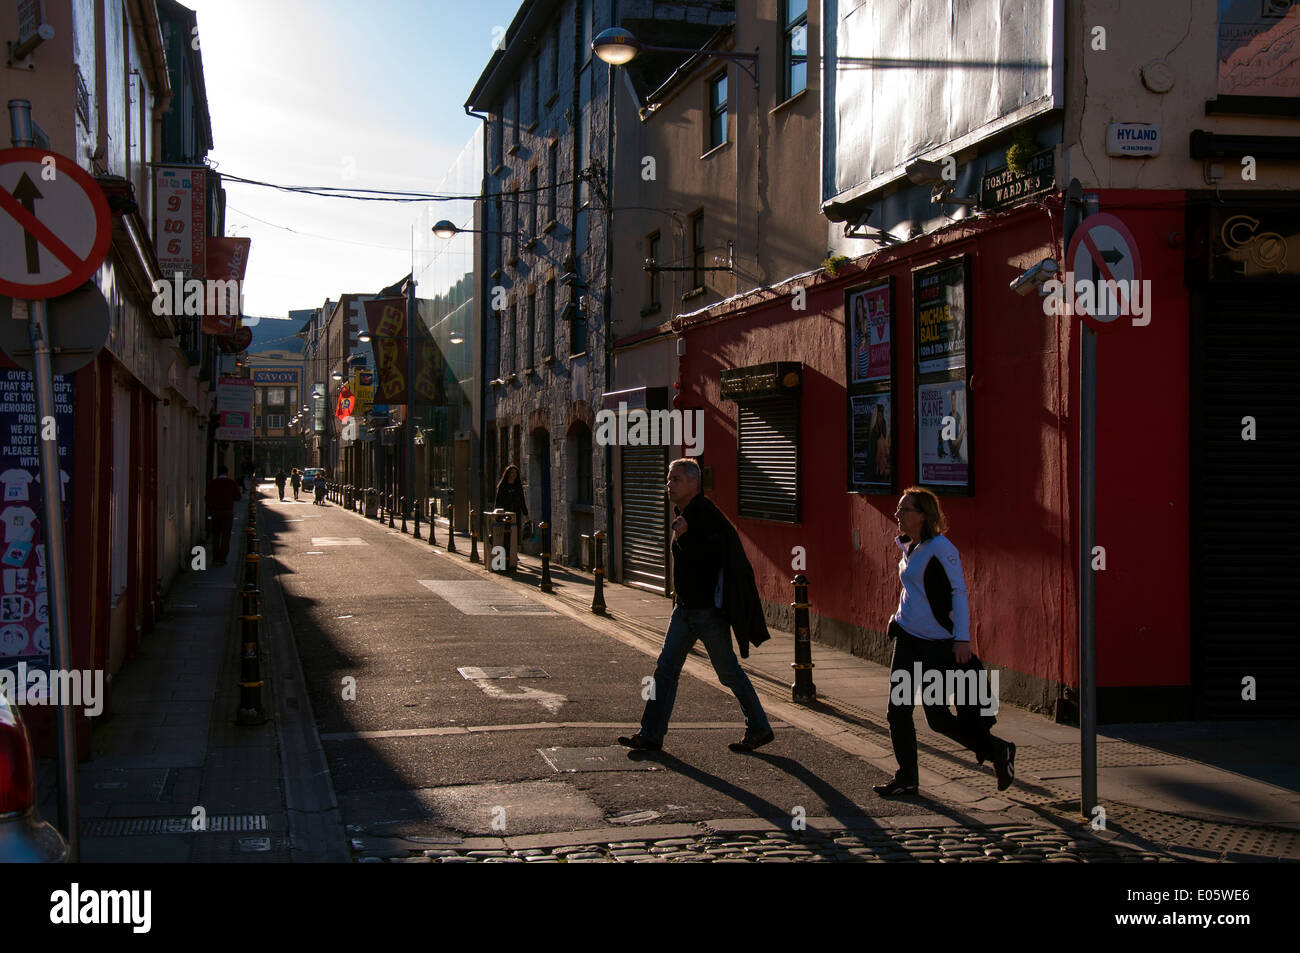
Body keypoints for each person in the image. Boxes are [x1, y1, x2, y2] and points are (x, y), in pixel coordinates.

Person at [619, 458, 773, 754]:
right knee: (666, 668)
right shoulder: (688, 513)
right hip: (685, 608)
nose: (669, 485)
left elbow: (711, 560)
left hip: (706, 612)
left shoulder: (703, 514)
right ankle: (650, 733)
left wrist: (684, 537)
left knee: (727, 672)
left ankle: (759, 726)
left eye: (675, 479)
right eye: (668, 479)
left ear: (693, 483)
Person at [873, 487, 1014, 797]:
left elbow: (958, 593)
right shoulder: (911, 547)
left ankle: (997, 751)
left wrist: (962, 639)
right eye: (898, 510)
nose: (897, 515)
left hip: (936, 646)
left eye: (903, 509)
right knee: (897, 712)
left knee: (937, 718)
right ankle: (907, 778)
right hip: (908, 642)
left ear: (922, 514)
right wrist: (898, 616)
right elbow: (914, 591)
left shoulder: (942, 548)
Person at [205, 465, 242, 566]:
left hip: (215, 512)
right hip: (227, 512)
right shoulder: (231, 483)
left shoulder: (213, 483)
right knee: (226, 536)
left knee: (216, 535)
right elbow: (238, 497)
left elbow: (207, 497)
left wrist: (210, 509)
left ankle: (215, 558)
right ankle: (222, 558)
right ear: (227, 472)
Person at [493, 465, 529, 542]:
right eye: (512, 472)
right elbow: (498, 500)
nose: (514, 474)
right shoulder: (503, 486)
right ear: (508, 474)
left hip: (516, 512)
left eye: (516, 473)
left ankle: (513, 551)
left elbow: (522, 501)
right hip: (505, 512)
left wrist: (526, 515)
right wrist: (497, 513)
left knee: (515, 533)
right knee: (505, 533)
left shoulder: (518, 486)